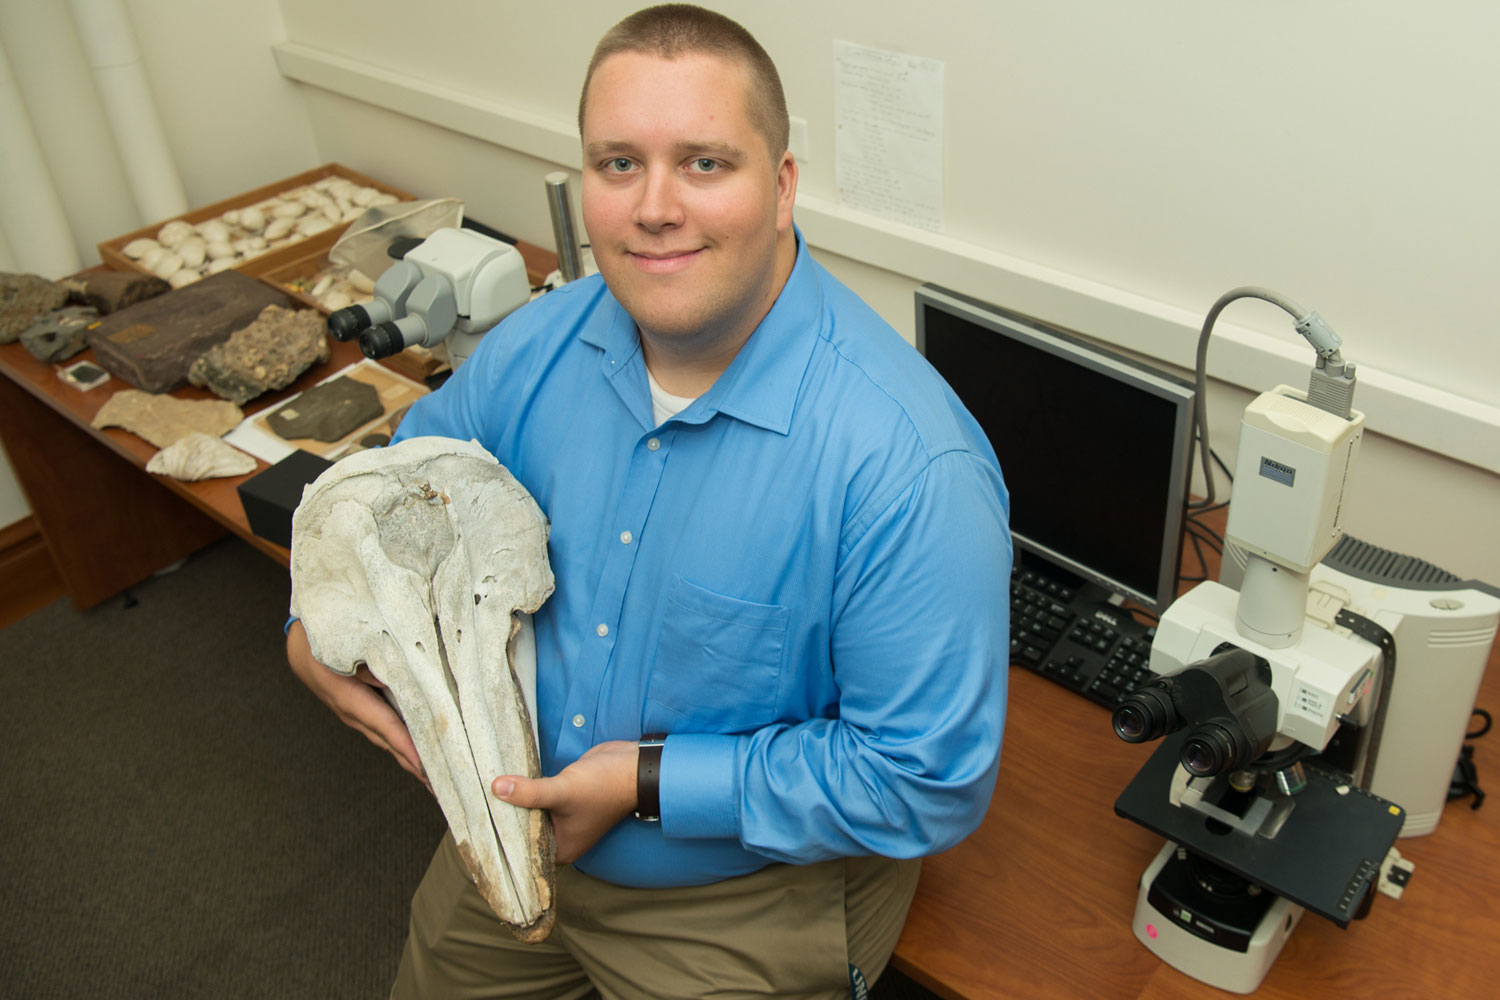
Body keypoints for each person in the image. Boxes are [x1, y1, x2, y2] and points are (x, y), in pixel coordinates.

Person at [286, 5, 1011, 997]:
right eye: (619, 163)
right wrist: (316, 625)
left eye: (705, 163)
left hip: (736, 893)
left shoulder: (907, 466)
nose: (654, 207)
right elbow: (389, 498)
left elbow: (927, 778)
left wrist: (645, 783)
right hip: (509, 824)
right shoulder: (537, 349)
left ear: (784, 186)